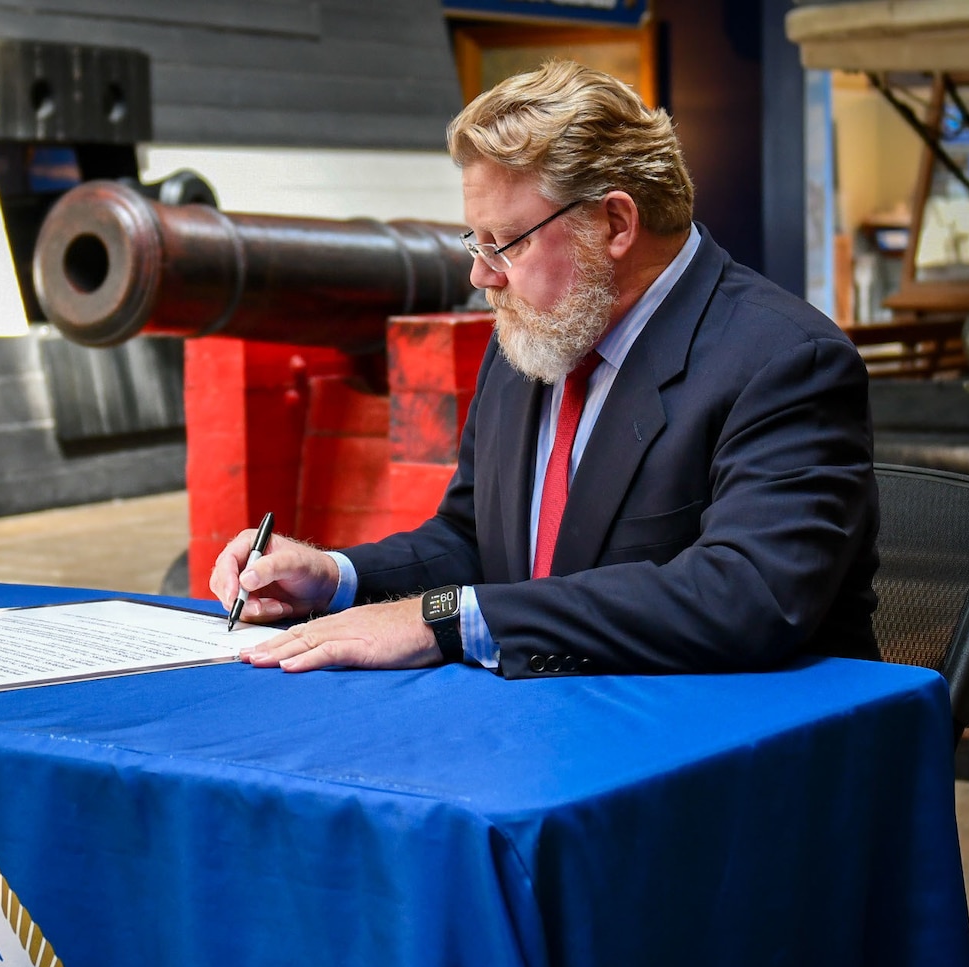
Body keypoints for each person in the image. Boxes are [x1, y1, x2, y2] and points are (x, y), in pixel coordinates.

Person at [211, 60, 879, 679]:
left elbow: (746, 594)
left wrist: (445, 620)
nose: (481, 275)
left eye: (508, 241)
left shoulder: (787, 360)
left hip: (731, 755)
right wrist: (335, 575)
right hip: (558, 725)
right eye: (476, 241)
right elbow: (475, 540)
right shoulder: (537, 338)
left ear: (615, 223)